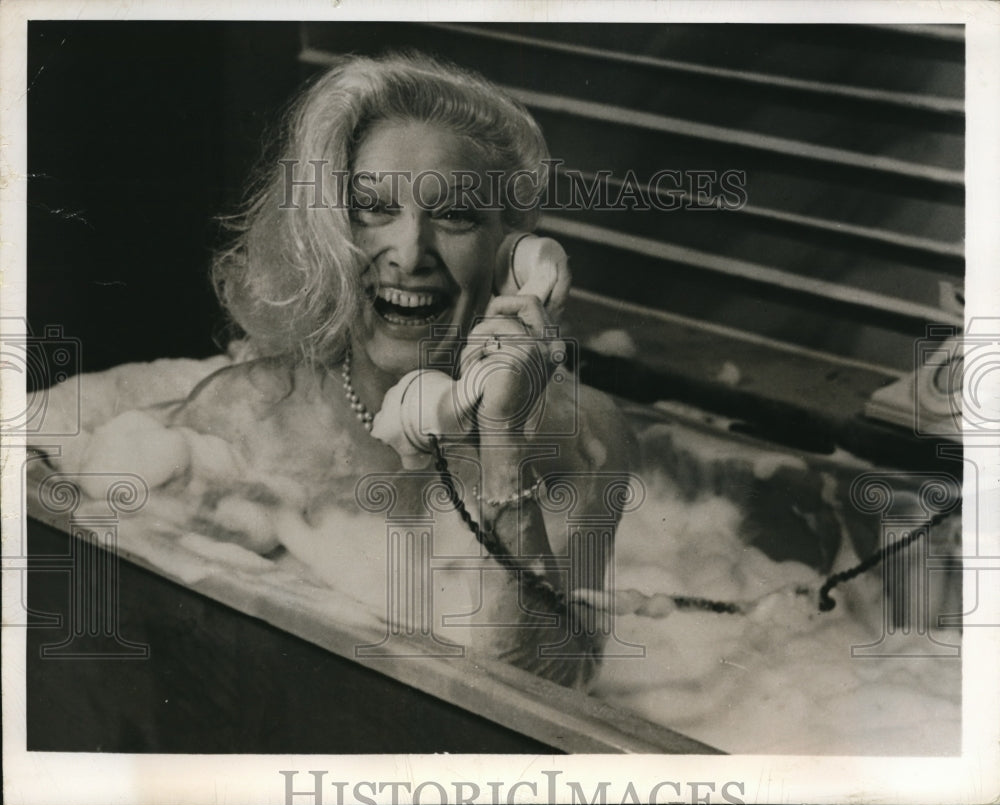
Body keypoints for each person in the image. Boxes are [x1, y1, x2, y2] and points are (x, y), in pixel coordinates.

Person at [78, 51, 637, 688]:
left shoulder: (589, 436)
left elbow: (552, 694)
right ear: (322, 234)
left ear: (510, 255)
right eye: (372, 208)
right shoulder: (237, 423)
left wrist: (501, 440)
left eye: (455, 215)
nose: (409, 253)